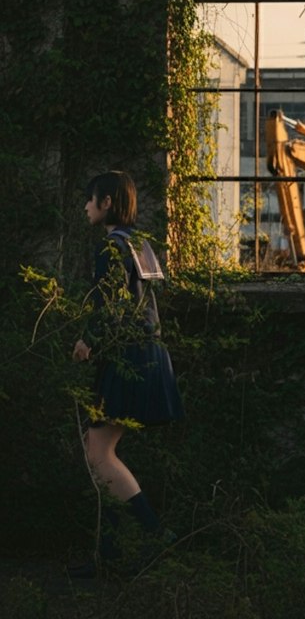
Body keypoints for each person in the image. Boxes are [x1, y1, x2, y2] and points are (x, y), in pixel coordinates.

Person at [70, 170, 183, 577]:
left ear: (107, 203)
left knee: (98, 451)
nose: (85, 205)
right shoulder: (141, 244)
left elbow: (109, 306)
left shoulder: (112, 248)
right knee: (100, 450)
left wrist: (87, 343)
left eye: (90, 198)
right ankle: (114, 554)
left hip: (128, 358)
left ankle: (151, 535)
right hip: (149, 356)